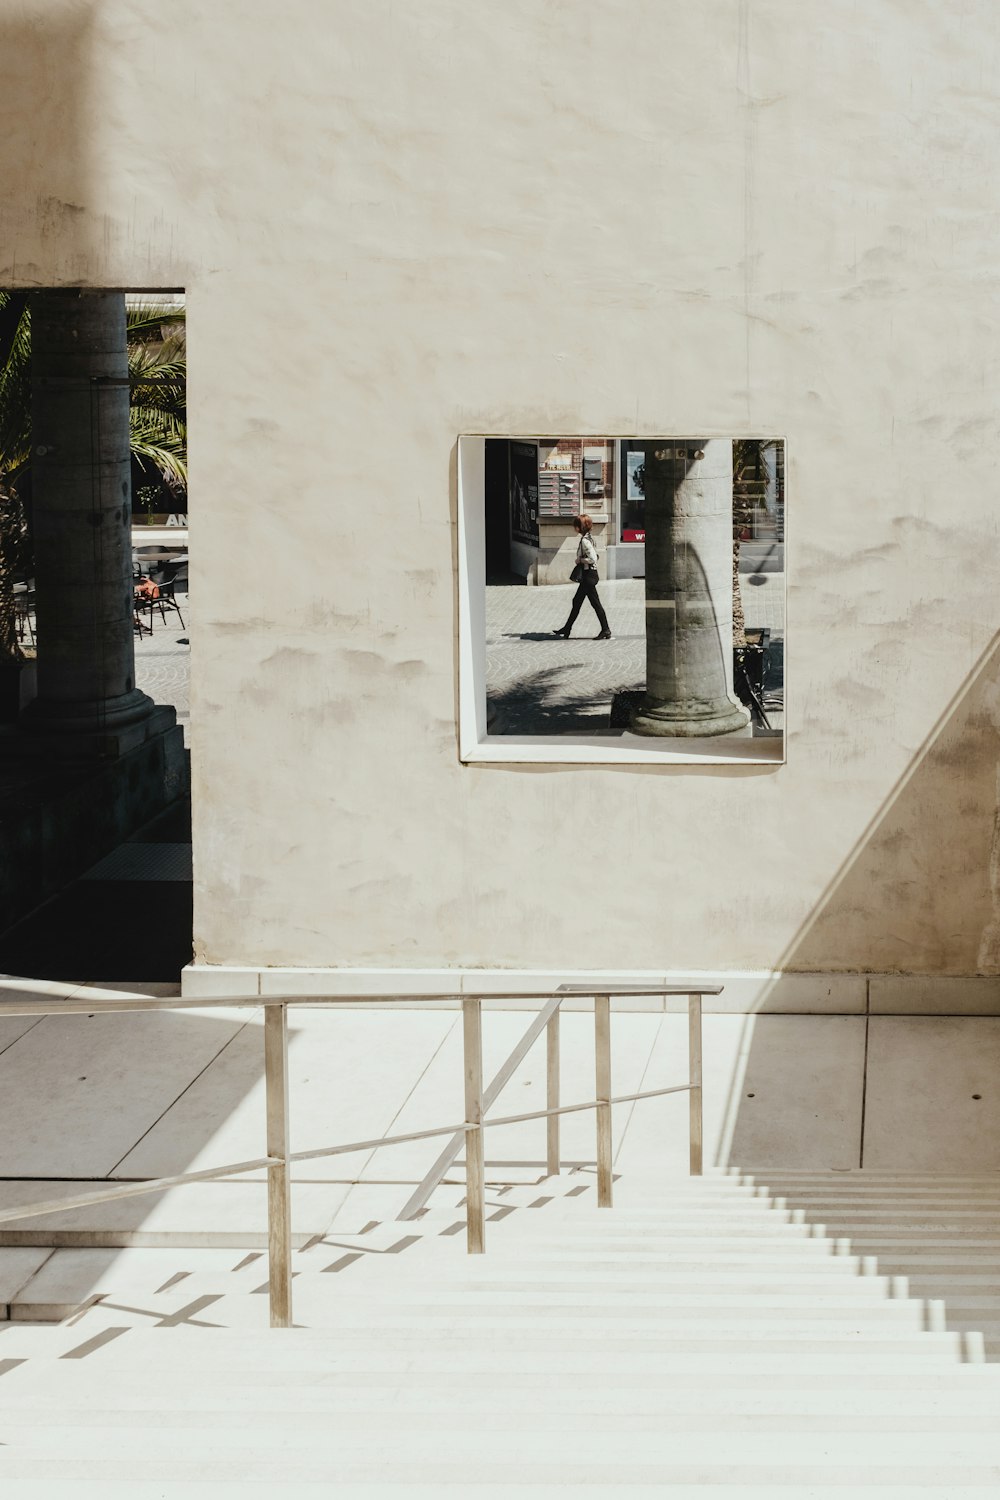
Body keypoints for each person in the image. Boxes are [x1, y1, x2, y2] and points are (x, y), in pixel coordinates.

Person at [553, 514, 611, 640]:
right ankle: (567, 628)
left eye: (576, 525)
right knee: (578, 602)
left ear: (580, 527)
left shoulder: (585, 541)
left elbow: (593, 558)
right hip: (589, 576)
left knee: (593, 604)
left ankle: (605, 630)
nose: (574, 527)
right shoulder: (589, 538)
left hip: (589, 577)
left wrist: (580, 560)